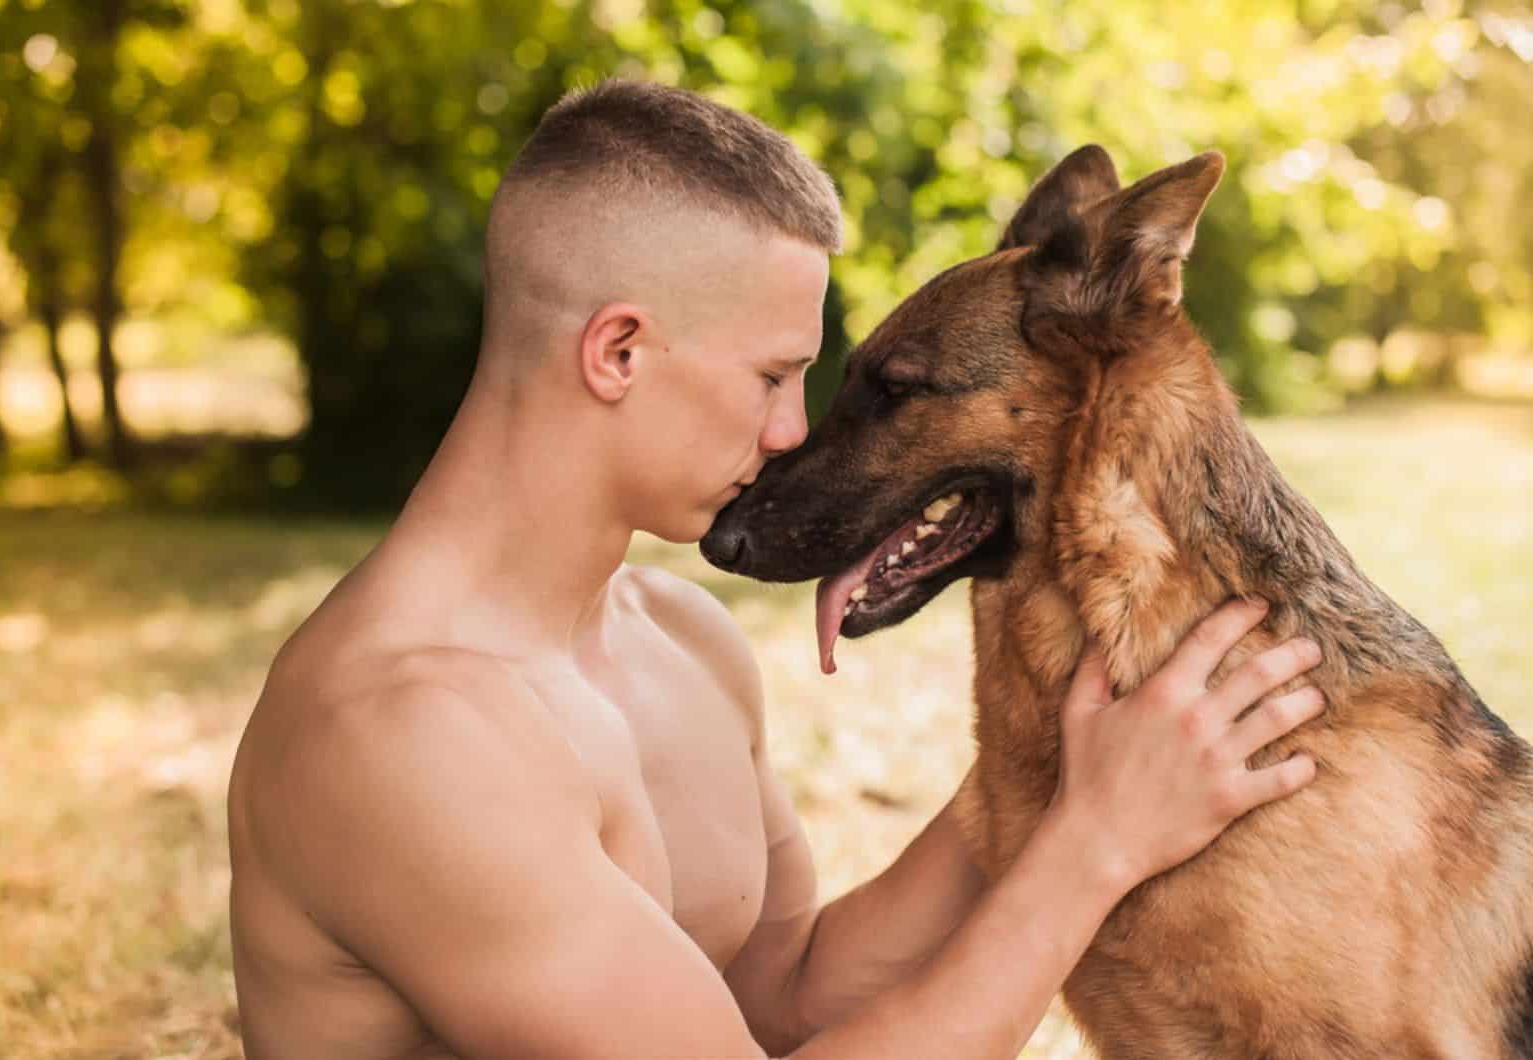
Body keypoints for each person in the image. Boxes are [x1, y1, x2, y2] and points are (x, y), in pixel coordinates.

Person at [226, 80, 1324, 1060]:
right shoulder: (401, 734)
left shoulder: (676, 639)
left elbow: (784, 996)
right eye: (772, 376)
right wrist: (1093, 844)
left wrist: (1061, 773)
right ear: (617, 351)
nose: (794, 433)